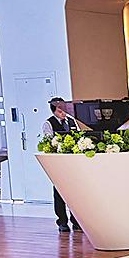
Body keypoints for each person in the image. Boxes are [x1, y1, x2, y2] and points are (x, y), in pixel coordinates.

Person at [42, 97, 81, 233]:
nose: (63, 113)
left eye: (64, 110)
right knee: (59, 194)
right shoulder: (49, 123)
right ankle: (62, 222)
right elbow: (48, 141)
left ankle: (76, 221)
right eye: (60, 111)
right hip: (58, 164)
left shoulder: (72, 121)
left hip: (72, 163)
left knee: (75, 194)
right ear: (53, 111)